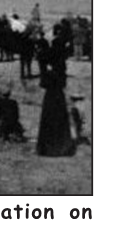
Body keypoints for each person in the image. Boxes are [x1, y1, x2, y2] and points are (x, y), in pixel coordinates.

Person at [37, 26, 76, 157]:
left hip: (49, 93)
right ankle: (61, 146)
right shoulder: (61, 61)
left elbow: (43, 80)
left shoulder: (46, 57)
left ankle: (47, 148)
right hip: (59, 93)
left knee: (48, 118)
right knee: (60, 119)